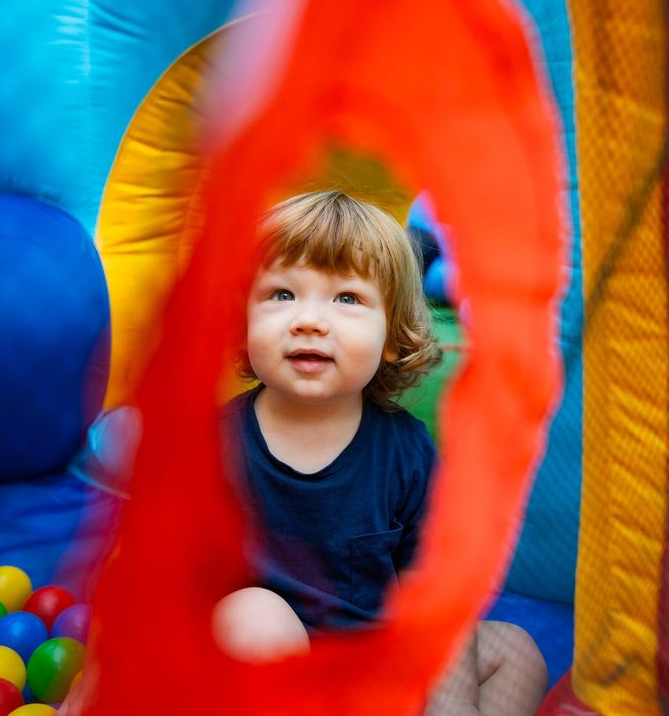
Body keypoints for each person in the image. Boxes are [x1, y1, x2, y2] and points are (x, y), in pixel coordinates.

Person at [213, 190, 548, 715]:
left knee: (515, 652)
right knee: (253, 615)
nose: (309, 320)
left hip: (376, 676)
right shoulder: (213, 444)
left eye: (346, 298)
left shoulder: (407, 452)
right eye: (281, 294)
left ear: (391, 337)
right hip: (271, 684)